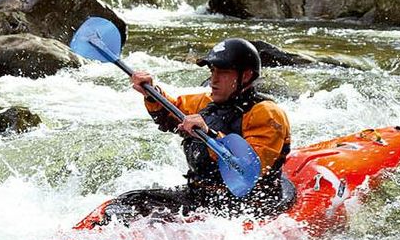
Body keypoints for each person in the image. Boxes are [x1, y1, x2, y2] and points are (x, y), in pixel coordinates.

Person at [95, 37, 293, 224]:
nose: (213, 80)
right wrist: (151, 93)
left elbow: (250, 169)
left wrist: (210, 135)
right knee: (130, 202)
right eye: (213, 71)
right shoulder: (207, 102)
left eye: (223, 73)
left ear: (246, 76)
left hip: (249, 204)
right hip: (202, 196)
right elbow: (170, 112)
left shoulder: (266, 113)